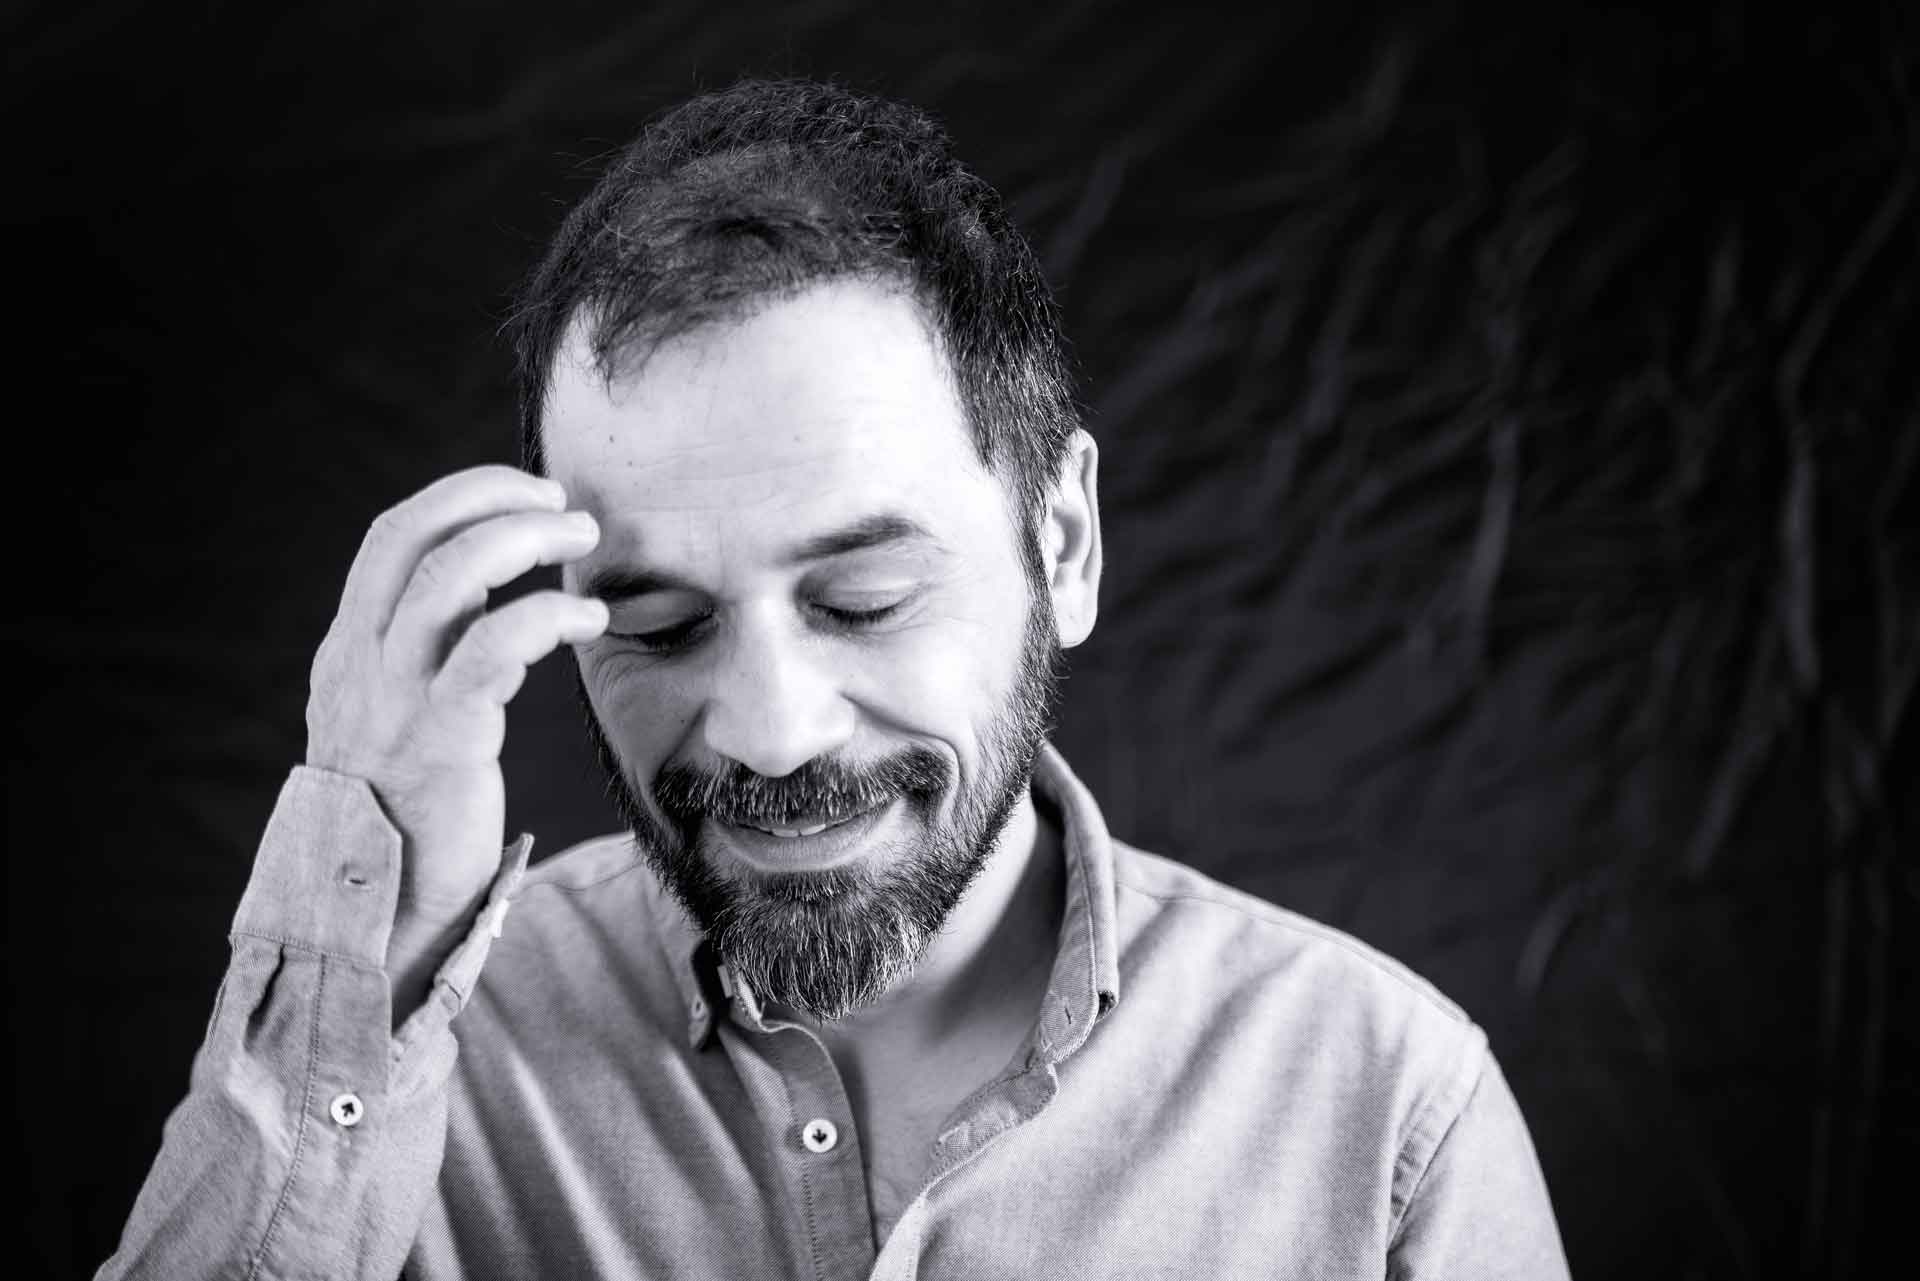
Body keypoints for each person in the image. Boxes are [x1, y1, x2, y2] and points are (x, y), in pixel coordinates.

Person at [99, 78, 1570, 1280]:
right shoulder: (407, 1054)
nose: (770, 729)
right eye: (660, 622)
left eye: (862, 597)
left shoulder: (1389, 1119)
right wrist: (376, 950)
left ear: (1062, 543)